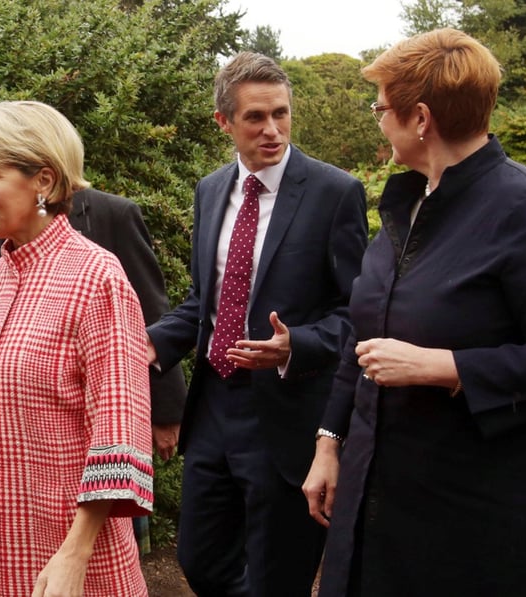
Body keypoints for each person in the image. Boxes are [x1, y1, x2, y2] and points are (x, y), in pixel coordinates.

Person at [302, 28, 526, 597]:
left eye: (381, 109)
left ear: (421, 118)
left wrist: (443, 366)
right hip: (387, 499)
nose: (379, 120)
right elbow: (363, 336)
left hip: (487, 519)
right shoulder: (409, 203)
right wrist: (328, 442)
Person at [146, 52, 368, 595]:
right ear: (223, 122)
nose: (272, 130)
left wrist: (297, 346)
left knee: (278, 577)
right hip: (214, 408)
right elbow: (205, 301)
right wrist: (147, 345)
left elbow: (358, 314)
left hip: (287, 417)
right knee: (199, 561)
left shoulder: (334, 193)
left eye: (281, 114)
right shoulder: (210, 190)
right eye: (255, 117)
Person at [0, 100, 154, 596]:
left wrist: (74, 554)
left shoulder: (98, 278)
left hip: (68, 559)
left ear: (43, 180)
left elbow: (118, 430)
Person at [0, 187, 188, 554]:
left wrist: (165, 410)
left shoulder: (115, 212)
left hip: (104, 422)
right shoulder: (6, 222)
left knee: (106, 551)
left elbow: (150, 311)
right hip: (32, 434)